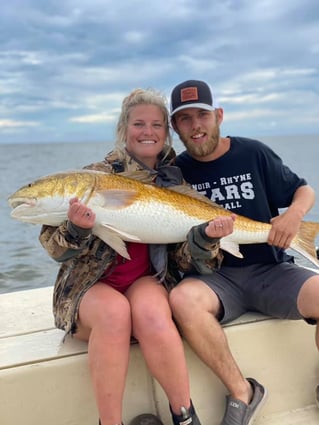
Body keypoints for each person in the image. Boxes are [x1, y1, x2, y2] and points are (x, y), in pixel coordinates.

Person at [39, 88, 232, 425]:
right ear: (123, 129)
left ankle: (184, 416)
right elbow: (53, 247)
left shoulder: (175, 183)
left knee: (153, 313)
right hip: (89, 290)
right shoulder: (93, 178)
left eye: (157, 125)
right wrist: (77, 229)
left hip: (144, 281)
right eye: (139, 124)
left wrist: (203, 239)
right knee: (115, 313)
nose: (148, 132)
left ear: (166, 132)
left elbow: (188, 262)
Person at [168, 79, 319, 425]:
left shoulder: (253, 153)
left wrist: (293, 217)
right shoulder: (176, 172)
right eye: (185, 119)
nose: (196, 126)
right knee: (181, 300)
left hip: (271, 270)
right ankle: (242, 393)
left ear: (218, 115)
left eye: (202, 116)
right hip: (214, 278)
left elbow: (303, 190)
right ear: (176, 128)